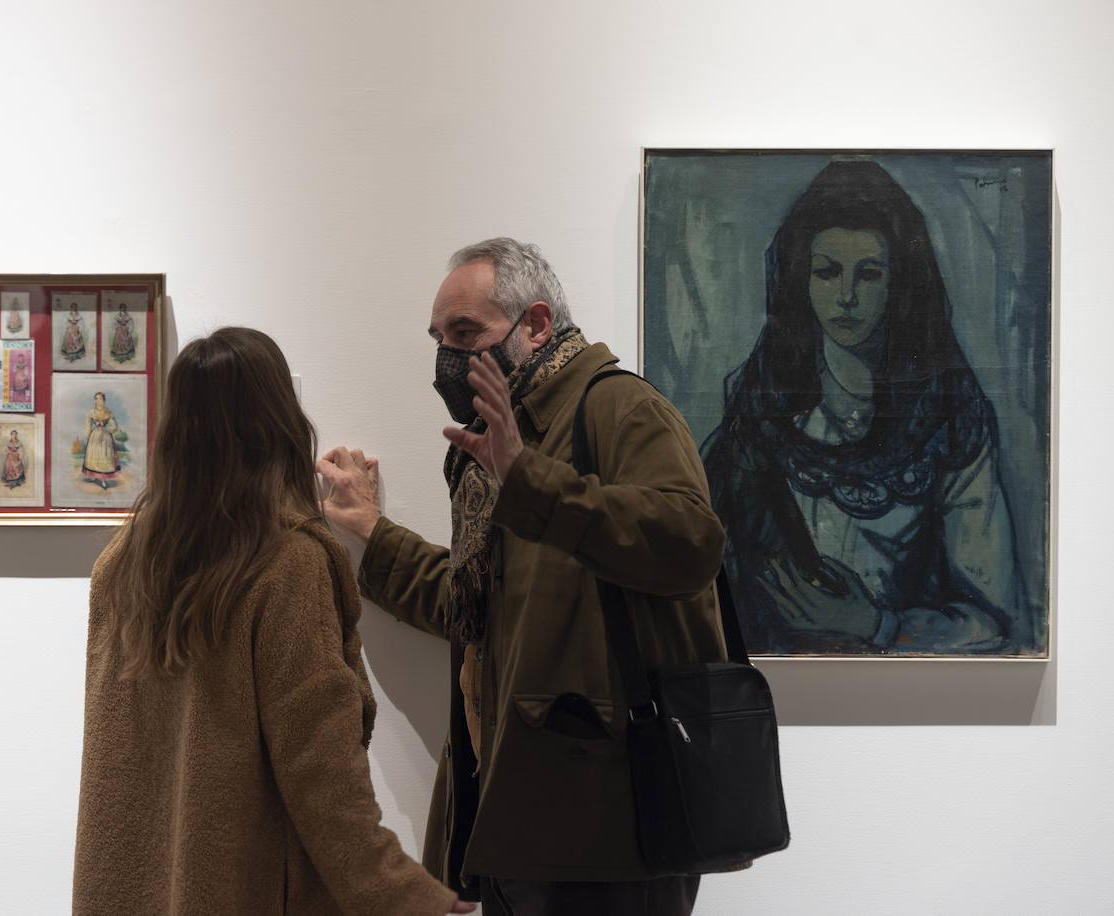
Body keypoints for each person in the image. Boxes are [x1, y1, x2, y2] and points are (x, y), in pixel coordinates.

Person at [318, 239, 726, 915]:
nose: (448, 359)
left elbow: (690, 546)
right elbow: (476, 609)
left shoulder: (618, 409)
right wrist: (369, 529)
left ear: (537, 324)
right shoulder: (495, 443)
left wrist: (529, 480)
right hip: (516, 817)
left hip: (613, 828)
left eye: (466, 333)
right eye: (439, 338)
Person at [73, 327, 471, 916]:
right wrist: (405, 896)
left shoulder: (124, 562)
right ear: (280, 424)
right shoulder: (287, 566)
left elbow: (115, 764)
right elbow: (321, 771)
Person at [701, 159, 1029, 655]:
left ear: (899, 283)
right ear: (800, 280)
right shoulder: (762, 409)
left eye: (870, 274)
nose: (847, 296)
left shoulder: (949, 418)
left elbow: (995, 621)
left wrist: (874, 624)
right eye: (827, 272)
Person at [80, 392, 121, 488]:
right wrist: (88, 434)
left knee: (104, 455)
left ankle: (102, 478)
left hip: (105, 437)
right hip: (95, 436)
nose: (98, 401)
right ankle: (94, 476)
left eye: (100, 399)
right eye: (96, 399)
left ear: (104, 400)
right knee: (93, 454)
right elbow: (87, 424)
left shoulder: (108, 412)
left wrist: (107, 428)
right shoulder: (91, 412)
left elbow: (114, 426)